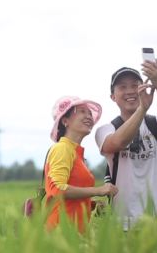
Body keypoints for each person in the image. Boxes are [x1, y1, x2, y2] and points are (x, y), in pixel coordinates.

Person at [95, 60, 157, 230]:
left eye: (135, 85)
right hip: (124, 224)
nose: (130, 91)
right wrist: (142, 109)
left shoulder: (156, 125)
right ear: (113, 96)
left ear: (144, 88)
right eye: (122, 87)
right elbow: (118, 142)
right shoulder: (105, 130)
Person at [45, 96, 118, 232]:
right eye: (82, 112)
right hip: (60, 233)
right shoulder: (62, 148)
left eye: (90, 113)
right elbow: (57, 190)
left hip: (75, 234)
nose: (88, 116)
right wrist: (99, 190)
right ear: (65, 121)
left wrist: (91, 204)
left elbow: (69, 198)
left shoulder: (76, 153)